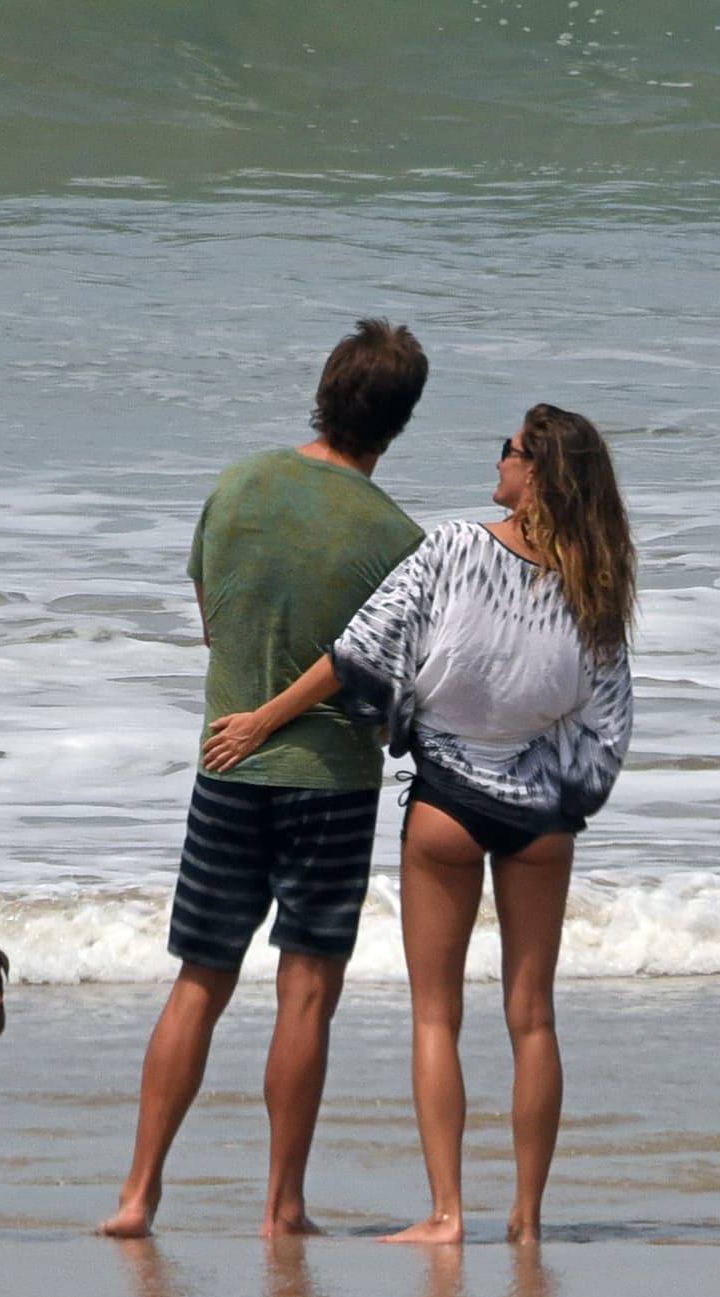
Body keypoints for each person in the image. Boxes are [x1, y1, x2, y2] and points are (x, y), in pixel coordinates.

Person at [201, 404, 636, 1244]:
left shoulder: (453, 547)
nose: (497, 463)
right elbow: (606, 730)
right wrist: (554, 797)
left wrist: (261, 719)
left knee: (436, 1016)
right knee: (533, 1016)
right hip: (542, 818)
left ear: (535, 473)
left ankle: (446, 1213)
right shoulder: (599, 587)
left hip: (445, 808)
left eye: (507, 451)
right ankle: (528, 1218)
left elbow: (355, 653)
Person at [98, 318, 430, 1239]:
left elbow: (211, 608)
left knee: (199, 980)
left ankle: (136, 1195)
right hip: (329, 778)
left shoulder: (239, 482)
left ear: (323, 389)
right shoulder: (397, 537)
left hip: (224, 764)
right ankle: (282, 1205)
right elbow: (383, 672)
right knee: (307, 991)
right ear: (398, 423)